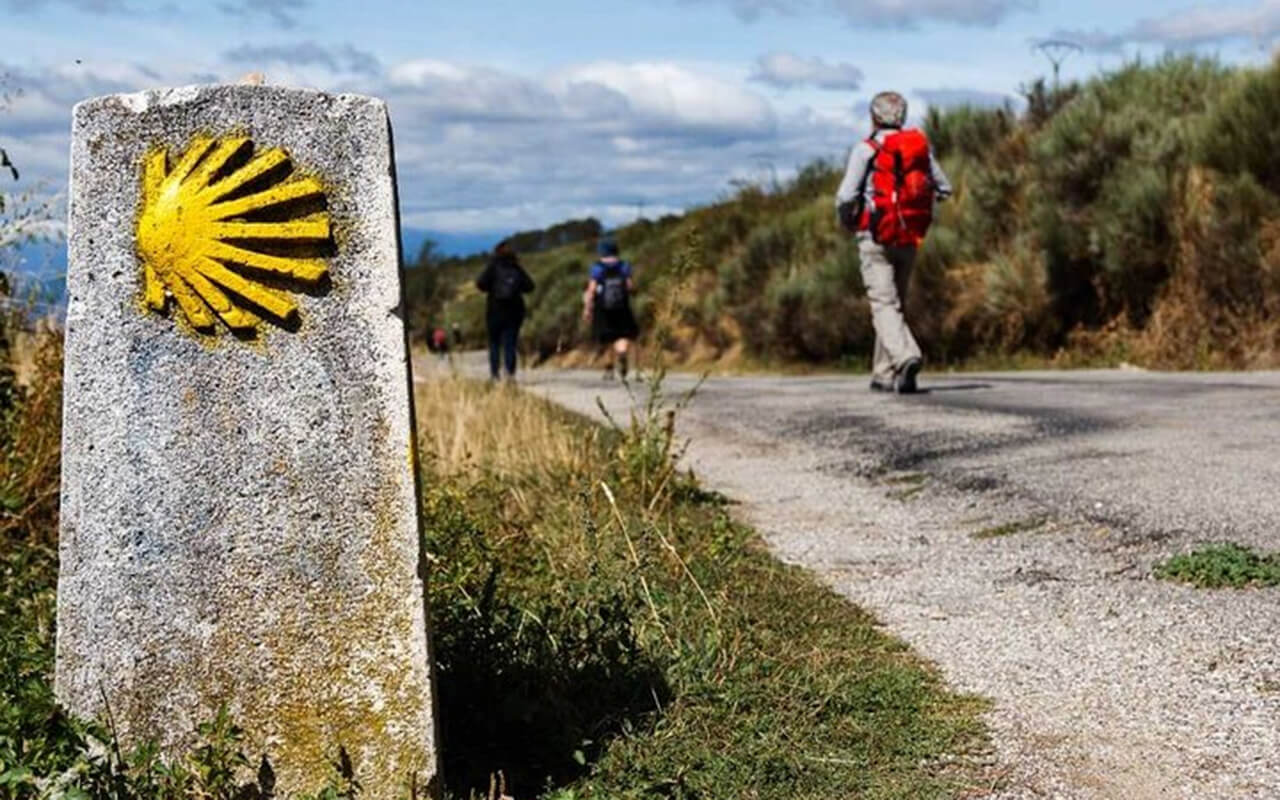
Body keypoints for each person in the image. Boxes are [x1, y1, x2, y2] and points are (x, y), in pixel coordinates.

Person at [835, 90, 951, 394]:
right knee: (894, 305)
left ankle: (905, 357)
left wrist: (848, 220)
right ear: (903, 116)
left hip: (875, 237)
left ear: (874, 117)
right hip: (909, 236)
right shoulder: (918, 149)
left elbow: (846, 196)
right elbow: (944, 187)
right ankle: (883, 373)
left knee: (883, 304)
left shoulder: (866, 149)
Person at [475, 239, 535, 381]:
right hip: (514, 312)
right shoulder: (516, 268)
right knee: (510, 343)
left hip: (494, 310)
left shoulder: (493, 266)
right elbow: (530, 286)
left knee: (494, 343)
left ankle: (494, 374)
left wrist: (492, 288)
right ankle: (510, 374)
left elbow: (480, 284)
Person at [583, 239, 639, 381]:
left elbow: (592, 290)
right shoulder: (624, 266)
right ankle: (622, 353)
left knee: (607, 338)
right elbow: (630, 286)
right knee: (623, 334)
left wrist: (587, 308)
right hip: (622, 307)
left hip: (603, 308)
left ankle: (609, 368)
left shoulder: (597, 268)